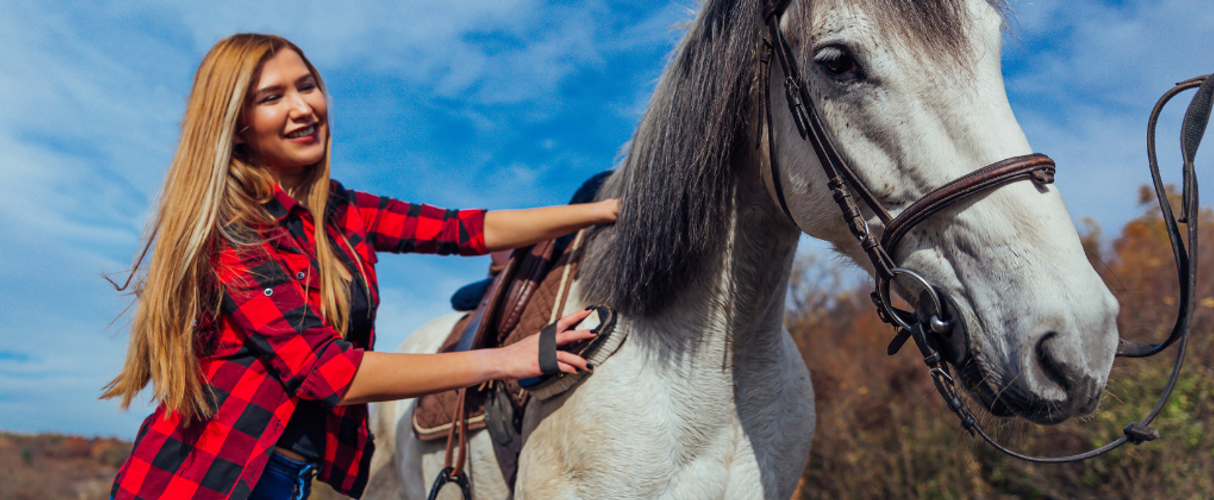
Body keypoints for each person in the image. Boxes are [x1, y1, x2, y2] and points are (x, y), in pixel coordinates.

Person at [100, 33, 617, 500]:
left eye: (307, 86)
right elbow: (329, 373)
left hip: (287, 477)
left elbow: (466, 229)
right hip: (204, 482)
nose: (302, 108)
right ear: (236, 128)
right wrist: (510, 359)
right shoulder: (232, 232)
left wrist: (605, 207)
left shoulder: (341, 210)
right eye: (272, 97)